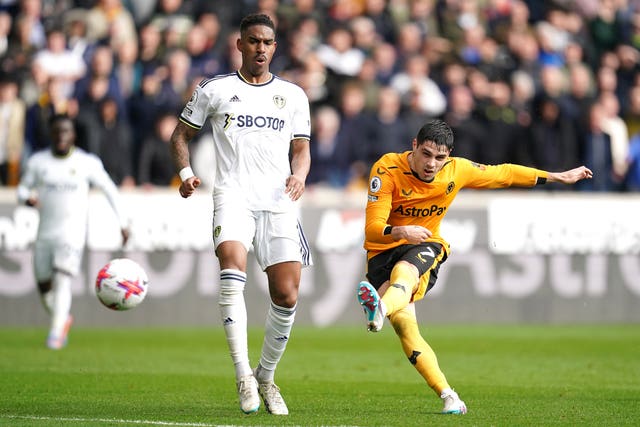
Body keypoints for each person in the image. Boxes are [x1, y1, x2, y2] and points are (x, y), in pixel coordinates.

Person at [356, 119, 593, 415]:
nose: (432, 164)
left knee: (406, 271)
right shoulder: (387, 168)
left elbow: (504, 174)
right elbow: (372, 229)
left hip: (426, 243)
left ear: (449, 155)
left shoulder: (458, 170)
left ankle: (379, 306)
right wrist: (402, 231)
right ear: (414, 146)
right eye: (426, 154)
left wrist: (557, 177)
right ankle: (449, 396)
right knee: (406, 329)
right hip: (383, 249)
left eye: (440, 158)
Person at [169, 13, 312, 416]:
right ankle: (243, 375)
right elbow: (180, 135)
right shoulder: (215, 89)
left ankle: (266, 376)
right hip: (232, 195)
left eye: (267, 42)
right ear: (240, 44)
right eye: (253, 41)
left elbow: (301, 149)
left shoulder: (294, 95)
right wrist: (185, 173)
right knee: (232, 267)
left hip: (279, 201)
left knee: (286, 295)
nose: (260, 49)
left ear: (275, 47)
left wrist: (299, 175)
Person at [16, 114, 129, 350]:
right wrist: (27, 198)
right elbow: (22, 189)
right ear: (51, 134)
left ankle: (56, 334)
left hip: (72, 233)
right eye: (56, 131)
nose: (61, 136)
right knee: (44, 286)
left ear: (73, 135)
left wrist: (123, 222)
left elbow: (109, 189)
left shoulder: (86, 163)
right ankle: (63, 318)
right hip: (45, 233)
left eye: (65, 131)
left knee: (62, 278)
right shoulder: (39, 162)